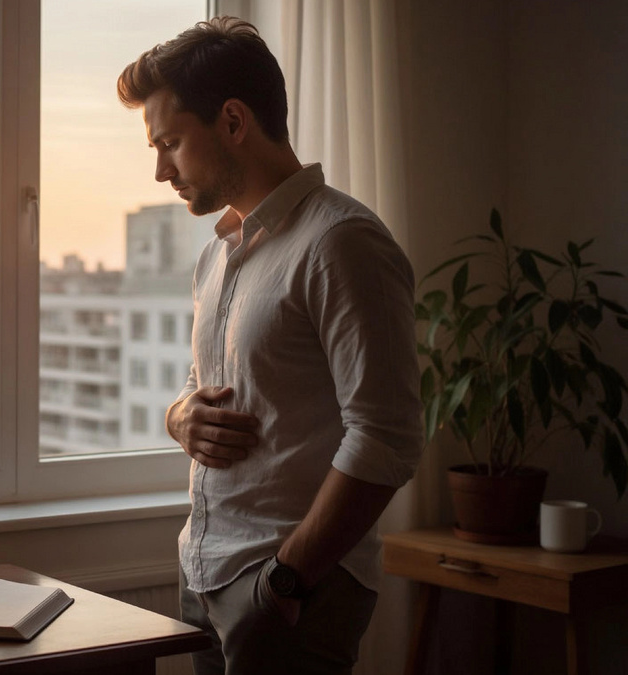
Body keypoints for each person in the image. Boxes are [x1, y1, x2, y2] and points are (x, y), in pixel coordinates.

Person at [117, 17, 424, 675]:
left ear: (233, 122)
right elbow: (205, 381)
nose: (159, 169)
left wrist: (285, 580)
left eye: (169, 142)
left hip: (291, 591)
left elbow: (387, 436)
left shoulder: (342, 244)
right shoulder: (216, 256)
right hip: (205, 571)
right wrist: (178, 415)